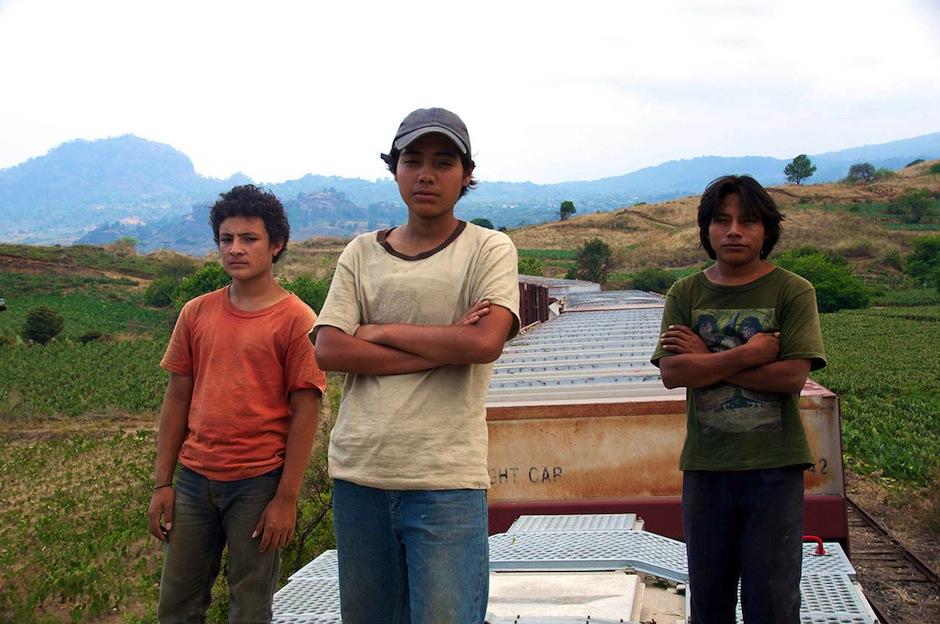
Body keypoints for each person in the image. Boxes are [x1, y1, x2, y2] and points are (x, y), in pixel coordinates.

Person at [313, 107, 520, 623]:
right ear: (395, 169)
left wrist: (378, 331)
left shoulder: (488, 248)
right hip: (360, 473)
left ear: (466, 175)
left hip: (444, 477)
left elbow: (484, 343)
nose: (426, 174)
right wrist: (445, 342)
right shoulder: (361, 252)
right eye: (413, 160)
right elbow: (330, 350)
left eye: (444, 162)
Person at [147, 184, 327, 623]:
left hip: (258, 484)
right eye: (227, 239)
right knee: (177, 606)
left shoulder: (296, 320)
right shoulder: (196, 313)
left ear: (276, 245)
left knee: (249, 607)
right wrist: (161, 483)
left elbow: (306, 412)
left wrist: (286, 498)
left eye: (249, 239)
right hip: (193, 482)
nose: (236, 249)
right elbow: (177, 398)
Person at [651, 175, 826, 623]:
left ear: (766, 230)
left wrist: (706, 359)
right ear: (706, 230)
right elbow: (673, 373)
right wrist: (749, 353)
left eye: (747, 221)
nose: (734, 230)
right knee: (709, 603)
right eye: (721, 220)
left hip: (775, 470)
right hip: (707, 468)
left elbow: (791, 376)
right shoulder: (685, 293)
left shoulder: (792, 290)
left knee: (771, 602)